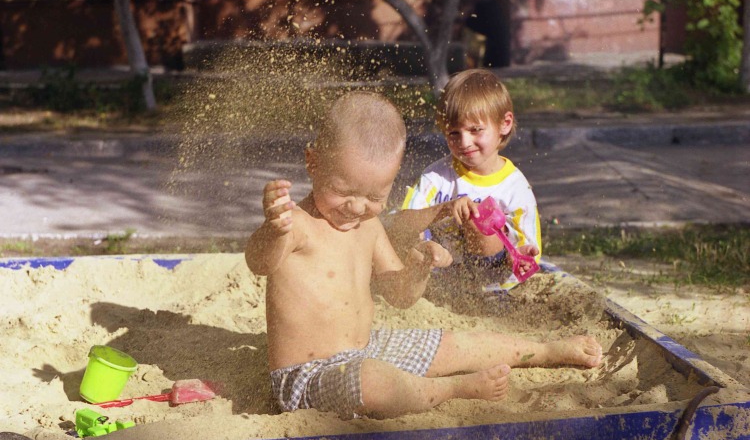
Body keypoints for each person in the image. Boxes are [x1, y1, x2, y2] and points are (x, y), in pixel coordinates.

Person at [245, 91, 602, 420]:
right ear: (313, 163)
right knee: (370, 380)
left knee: (454, 345)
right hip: (308, 376)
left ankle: (545, 351)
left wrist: (419, 268)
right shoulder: (297, 225)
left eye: (374, 197)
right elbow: (257, 262)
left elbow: (398, 296)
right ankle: (449, 389)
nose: (356, 206)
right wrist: (274, 229)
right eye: (342, 191)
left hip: (367, 348)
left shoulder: (368, 227)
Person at [388, 69, 540, 301]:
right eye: (453, 133)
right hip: (439, 273)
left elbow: (527, 252)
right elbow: (401, 223)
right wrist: (445, 209)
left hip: (488, 279)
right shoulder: (437, 177)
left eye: (475, 130)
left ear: (504, 124)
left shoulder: (515, 188)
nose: (464, 142)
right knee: (396, 233)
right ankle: (425, 260)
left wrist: (517, 257)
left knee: (477, 218)